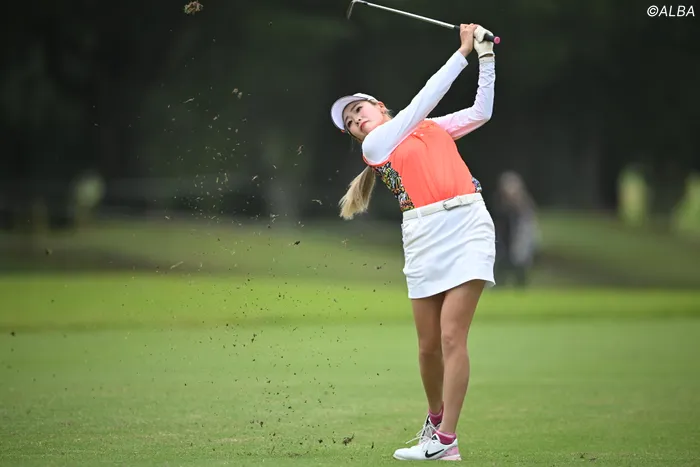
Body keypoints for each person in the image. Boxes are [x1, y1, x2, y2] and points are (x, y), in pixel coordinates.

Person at [330, 24, 496, 461]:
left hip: (468, 223)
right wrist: (462, 52)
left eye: (358, 110)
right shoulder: (377, 145)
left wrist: (486, 57)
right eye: (350, 123)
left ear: (378, 106)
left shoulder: (430, 128)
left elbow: (481, 112)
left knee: (452, 336)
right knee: (428, 347)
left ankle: (446, 441)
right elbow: (425, 97)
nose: (356, 120)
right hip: (422, 236)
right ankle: (434, 419)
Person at [492, 171, 540, 287]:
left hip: (518, 247)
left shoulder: (524, 206)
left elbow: (528, 229)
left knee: (520, 277)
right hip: (503, 247)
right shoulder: (500, 205)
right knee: (499, 278)